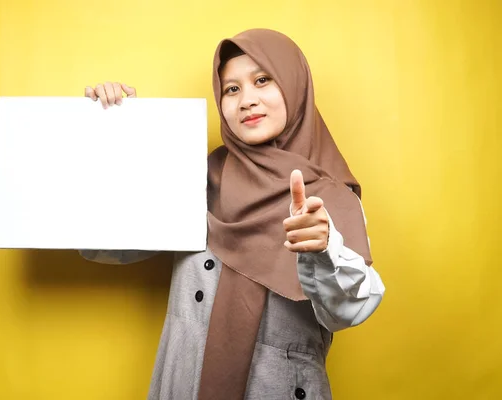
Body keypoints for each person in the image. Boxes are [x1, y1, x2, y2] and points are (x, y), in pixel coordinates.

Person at [81, 28, 385, 400]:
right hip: (185, 384)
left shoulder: (331, 199)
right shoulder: (200, 178)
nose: (247, 101)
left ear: (294, 86)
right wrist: (111, 131)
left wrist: (323, 251)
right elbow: (111, 248)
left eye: (262, 80)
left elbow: (347, 312)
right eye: (232, 89)